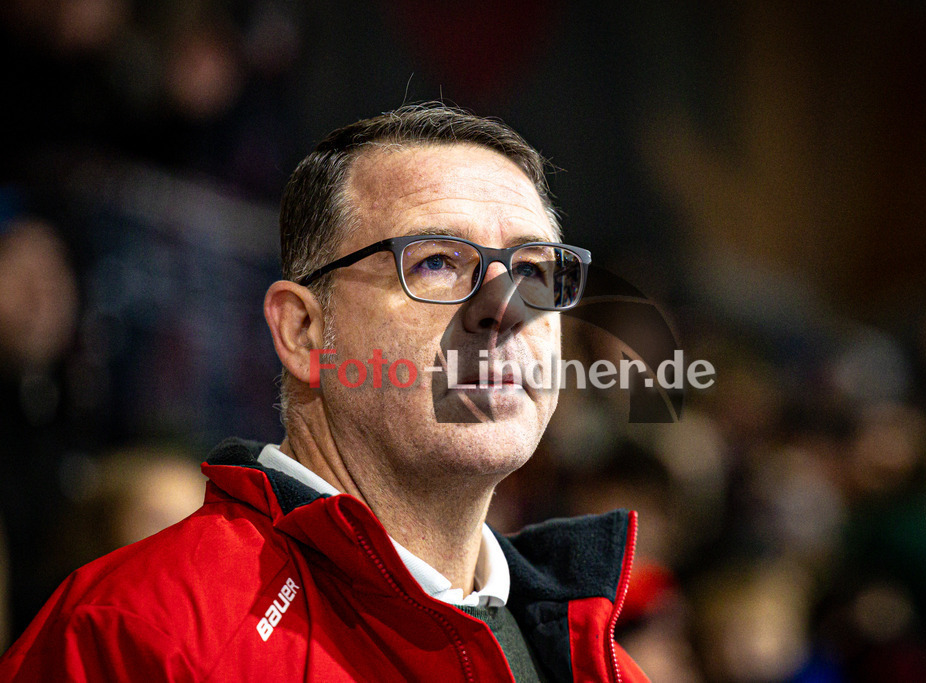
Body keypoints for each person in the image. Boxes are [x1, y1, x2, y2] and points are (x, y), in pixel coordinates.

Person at [0, 104, 648, 682]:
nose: (503, 310)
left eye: (535, 270)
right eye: (438, 263)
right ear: (304, 331)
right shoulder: (137, 633)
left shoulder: (608, 666)